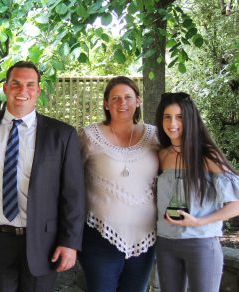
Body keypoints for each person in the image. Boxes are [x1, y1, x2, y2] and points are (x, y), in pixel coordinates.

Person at [0, 61, 85, 291]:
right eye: (16, 84)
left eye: (30, 85)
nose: (22, 91)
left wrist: (70, 242)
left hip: (43, 242)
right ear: (6, 88)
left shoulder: (62, 135)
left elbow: (74, 194)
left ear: (38, 90)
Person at [155, 92, 239, 292]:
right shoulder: (161, 156)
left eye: (179, 117)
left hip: (200, 243)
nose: (172, 123)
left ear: (190, 119)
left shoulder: (207, 156)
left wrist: (198, 222)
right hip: (165, 243)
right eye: (167, 116)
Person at [77, 76, 159, 292]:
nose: (122, 103)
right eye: (115, 98)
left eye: (128, 97)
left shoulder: (155, 136)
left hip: (146, 236)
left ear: (138, 101)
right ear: (106, 103)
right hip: (99, 236)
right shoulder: (88, 136)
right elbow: (70, 182)